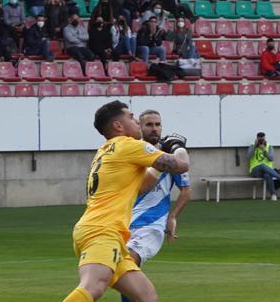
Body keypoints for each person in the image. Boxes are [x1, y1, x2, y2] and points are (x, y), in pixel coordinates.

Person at [62, 101, 187, 302]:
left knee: (146, 296)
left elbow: (142, 187)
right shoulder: (129, 145)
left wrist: (161, 161)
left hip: (104, 231)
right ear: (118, 126)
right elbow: (182, 166)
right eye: (131, 117)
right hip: (103, 231)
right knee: (93, 287)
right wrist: (177, 146)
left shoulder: (106, 150)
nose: (136, 121)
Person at [120, 110, 191, 302]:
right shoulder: (133, 152)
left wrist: (172, 217)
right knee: (123, 272)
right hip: (124, 222)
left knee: (127, 264)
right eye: (149, 125)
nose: (154, 129)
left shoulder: (168, 158)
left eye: (158, 124)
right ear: (140, 127)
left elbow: (186, 189)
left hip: (151, 224)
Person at [246, 132, 280, 201]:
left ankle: (273, 195)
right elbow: (248, 157)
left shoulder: (269, 147)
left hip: (268, 171)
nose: (261, 141)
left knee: (267, 175)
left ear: (265, 139)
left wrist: (264, 151)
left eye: (262, 140)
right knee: (262, 165)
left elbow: (271, 158)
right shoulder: (252, 146)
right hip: (255, 171)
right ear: (256, 139)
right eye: (259, 140)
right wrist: (254, 147)